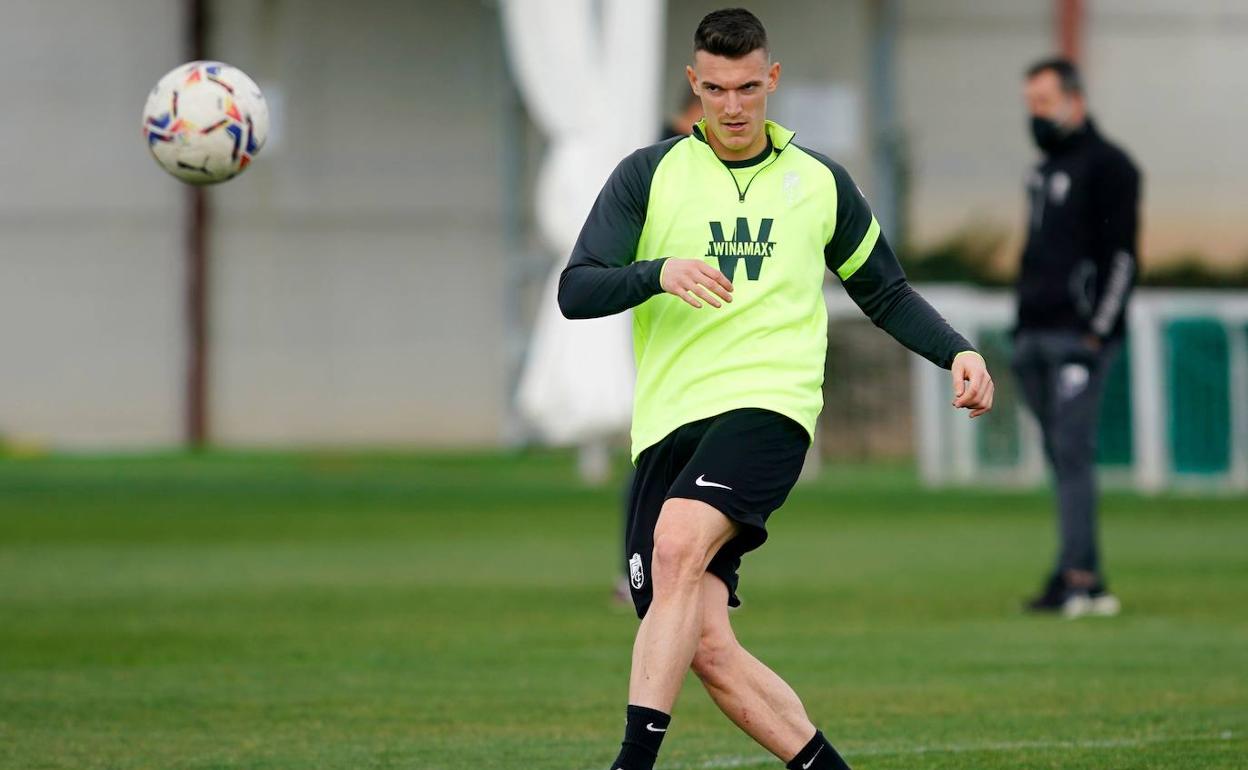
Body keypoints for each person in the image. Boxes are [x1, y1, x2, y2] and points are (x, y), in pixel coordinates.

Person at [558, 9, 993, 770]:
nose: (732, 106)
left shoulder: (819, 182)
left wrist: (957, 351)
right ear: (694, 85)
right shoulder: (648, 174)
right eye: (717, 89)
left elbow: (884, 293)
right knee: (708, 647)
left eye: (748, 88)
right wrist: (658, 272)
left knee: (678, 541)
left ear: (772, 81)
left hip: (769, 408)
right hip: (668, 424)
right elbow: (576, 289)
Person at [1012, 57, 1140, 619]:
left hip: (1076, 338)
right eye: (1030, 104)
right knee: (1060, 456)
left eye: (1043, 102)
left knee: (1072, 451)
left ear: (1073, 100)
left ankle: (1081, 578)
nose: (1035, 114)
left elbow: (1122, 258)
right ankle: (1077, 568)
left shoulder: (1110, 167)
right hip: (1033, 335)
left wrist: (1097, 333)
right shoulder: (1043, 170)